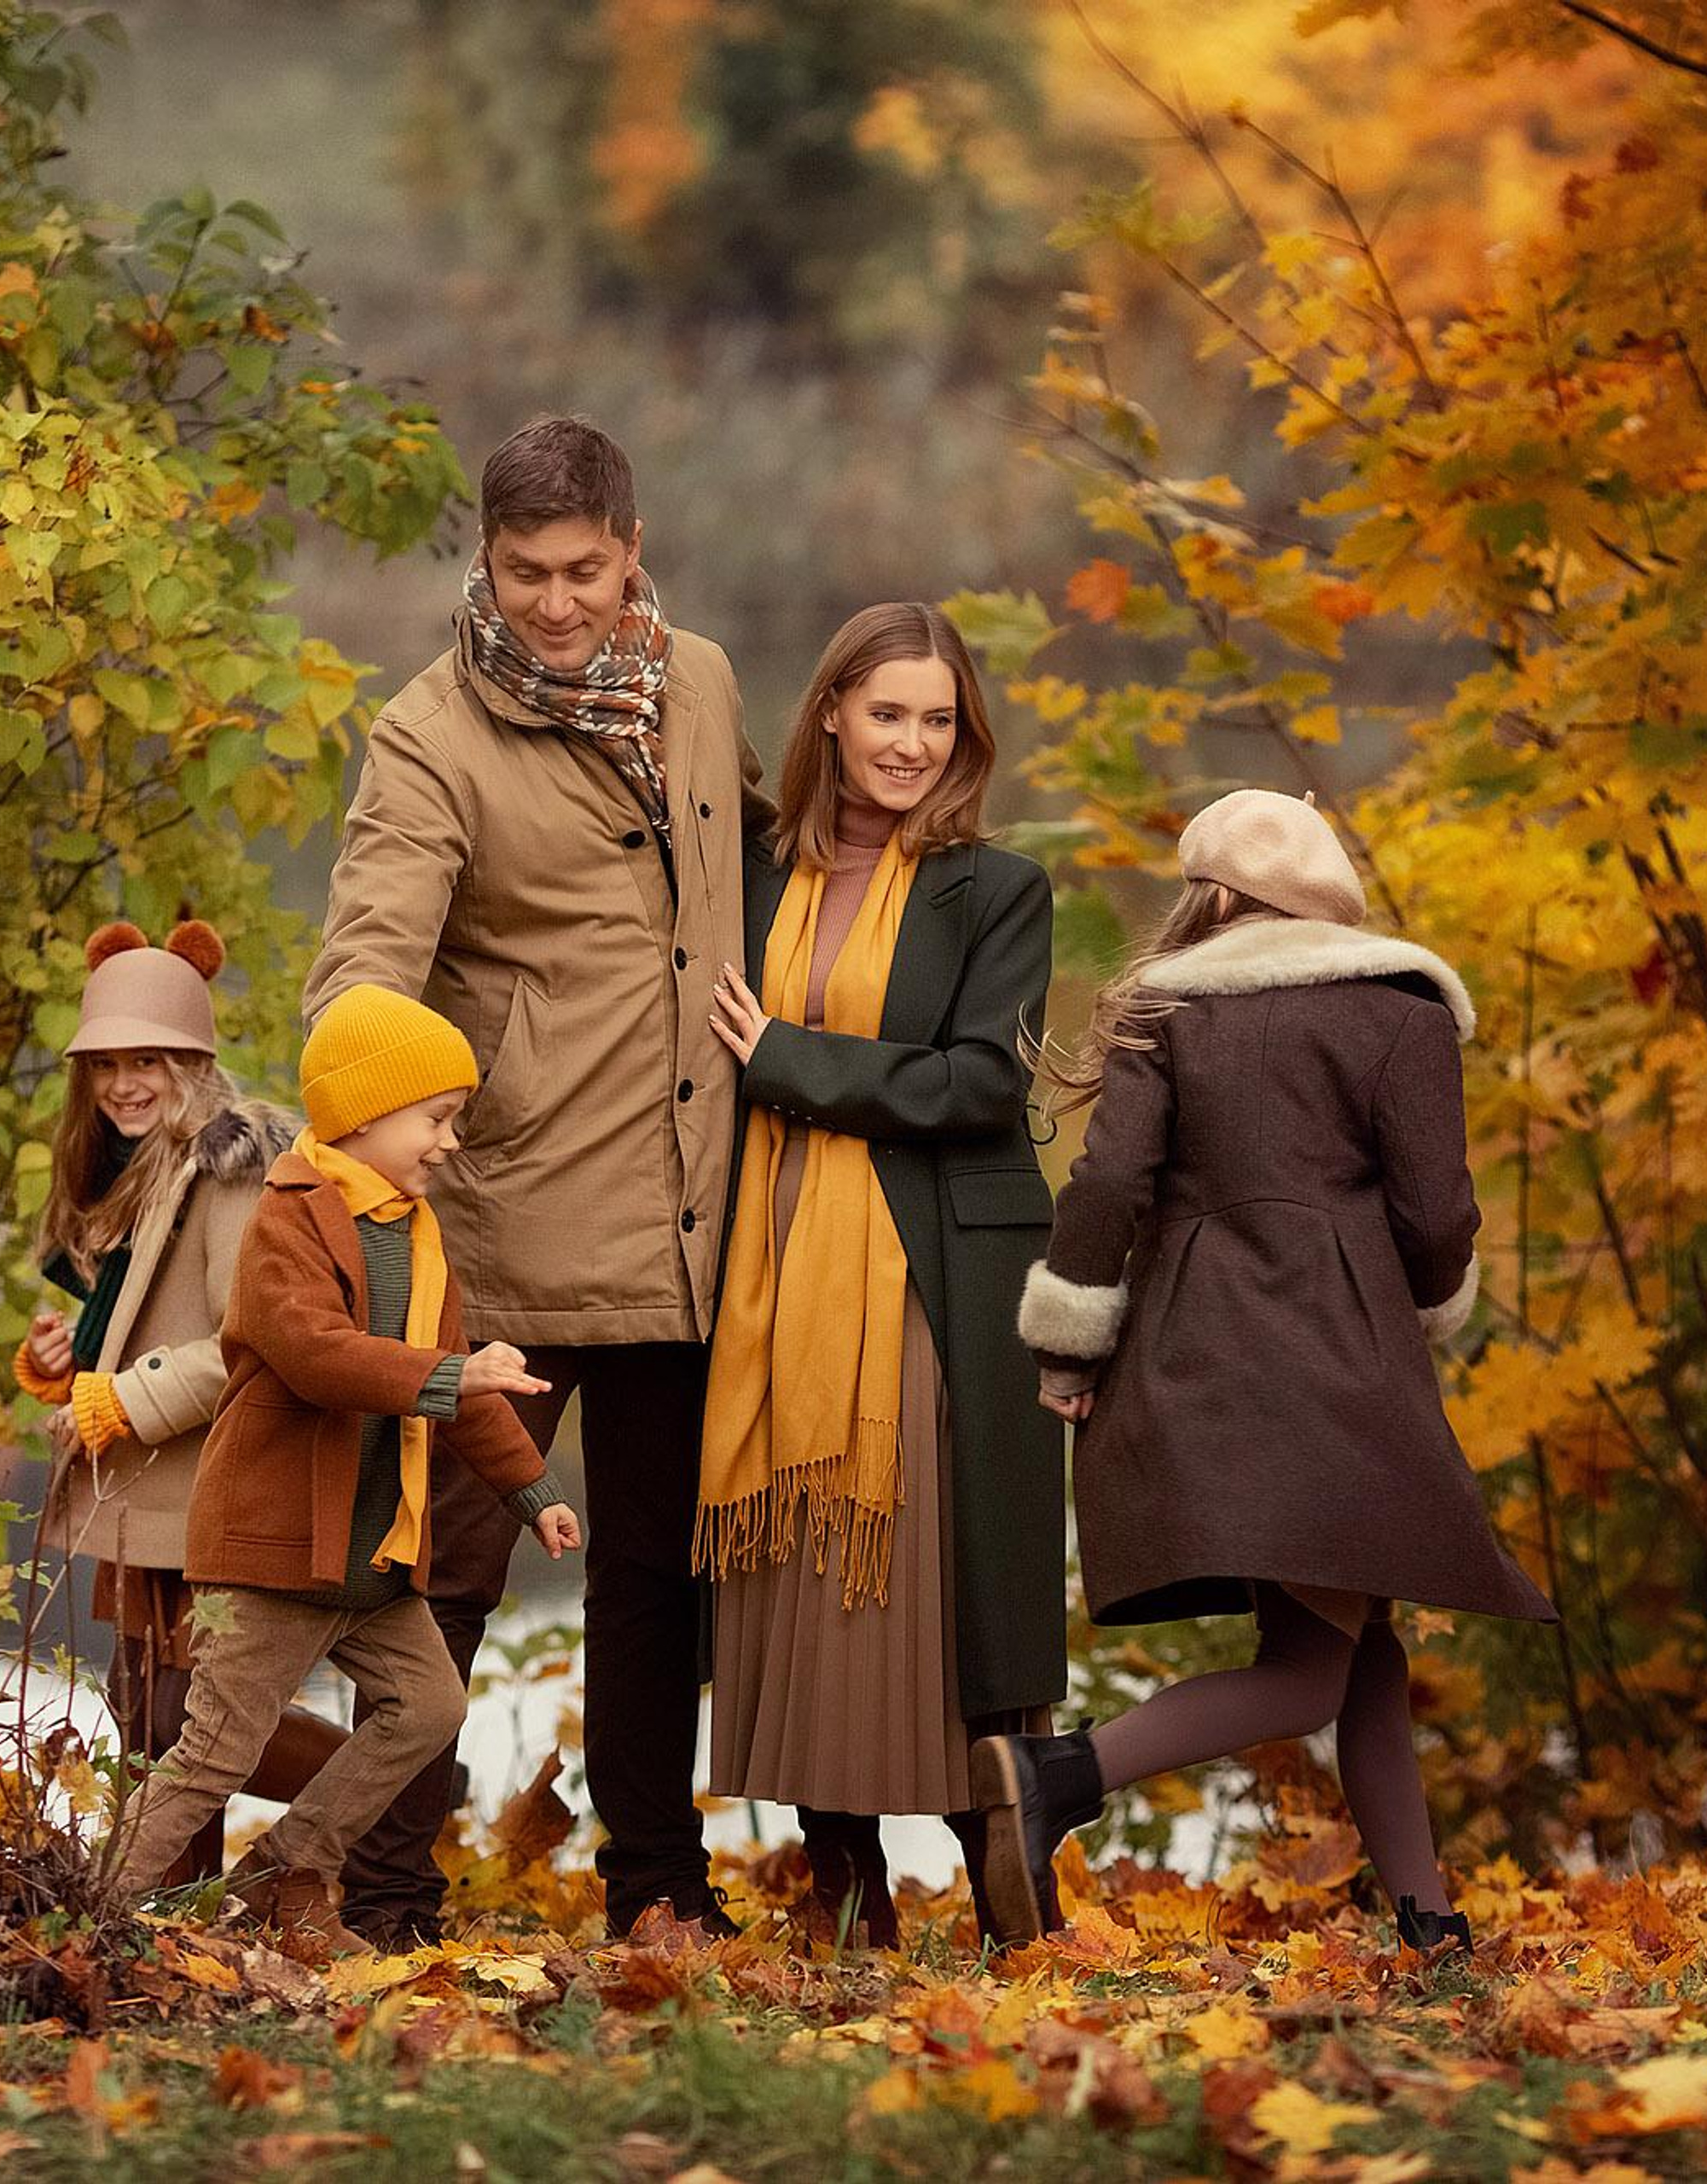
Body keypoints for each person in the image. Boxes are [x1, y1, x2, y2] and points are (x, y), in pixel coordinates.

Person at [305, 415, 771, 1944]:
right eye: (525, 573)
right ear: (485, 561)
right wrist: (360, 1140)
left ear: (633, 551)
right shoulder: (429, 737)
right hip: (507, 1220)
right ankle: (382, 1895)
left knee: (656, 1575)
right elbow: (365, 970)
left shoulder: (699, 682)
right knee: (443, 1573)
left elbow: (758, 868)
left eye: (583, 570)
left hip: (693, 1211)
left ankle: (659, 1887)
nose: (556, 604)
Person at [975, 787, 1555, 1952]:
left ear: (1214, 895)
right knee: (1308, 1671)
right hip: (1339, 1359)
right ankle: (1057, 1776)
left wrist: (1069, 1343)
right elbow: (1437, 1215)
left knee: (1359, 1642)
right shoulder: (1398, 1011)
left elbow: (1106, 1187)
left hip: (1192, 1356)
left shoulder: (1166, 1007)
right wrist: (1419, 1303)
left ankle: (1428, 1921)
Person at [696, 601, 1065, 1951]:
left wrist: (789, 1060)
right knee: (790, 1561)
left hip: (924, 1266)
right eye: (888, 713)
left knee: (937, 1566)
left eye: (938, 720)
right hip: (766, 1256)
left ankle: (1005, 1878)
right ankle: (844, 1884)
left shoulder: (996, 890)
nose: (913, 744)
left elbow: (981, 1084)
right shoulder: (749, 874)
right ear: (832, 714)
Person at [103, 985, 582, 1955]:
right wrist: (449, 1376)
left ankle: (289, 1869)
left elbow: (455, 1380)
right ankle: (76, 1914)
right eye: (434, 1118)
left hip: (372, 1550)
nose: (447, 1142)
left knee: (430, 1705)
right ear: (364, 1113)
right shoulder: (289, 1219)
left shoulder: (416, 1231)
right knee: (213, 1753)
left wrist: (531, 1492)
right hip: (279, 1546)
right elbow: (315, 1356)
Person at [20, 918, 343, 1882]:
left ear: (192, 1062)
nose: (124, 1083)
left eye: (148, 1061)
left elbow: (247, 1340)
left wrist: (120, 1401)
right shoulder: (124, 1174)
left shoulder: (228, 1171)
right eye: (106, 1063)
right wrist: (61, 1362)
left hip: (210, 1486)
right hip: (141, 1490)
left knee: (188, 1715)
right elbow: (130, 1325)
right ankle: (176, 1910)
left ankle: (399, 1785)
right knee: (142, 1717)